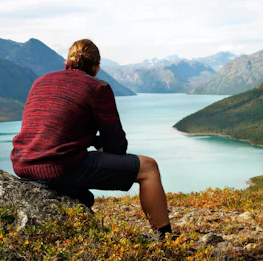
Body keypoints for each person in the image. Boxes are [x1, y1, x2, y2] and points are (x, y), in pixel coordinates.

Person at [11, 39, 172, 238]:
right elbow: (116, 145)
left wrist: (89, 141)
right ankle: (165, 239)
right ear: (97, 67)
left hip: (22, 164)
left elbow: (50, 130)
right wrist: (99, 145)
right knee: (149, 168)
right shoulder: (98, 87)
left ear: (66, 62)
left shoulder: (40, 81)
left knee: (81, 184)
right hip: (59, 166)